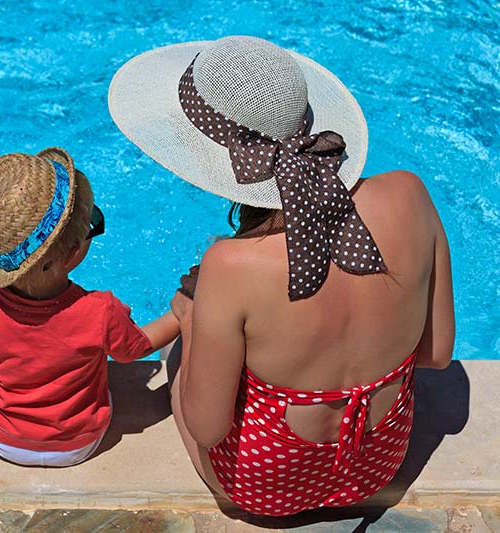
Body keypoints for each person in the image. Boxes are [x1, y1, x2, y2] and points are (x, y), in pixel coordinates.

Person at [109, 36, 455, 515]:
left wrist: (190, 319)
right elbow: (436, 355)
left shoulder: (232, 266)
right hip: (379, 464)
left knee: (182, 350)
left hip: (264, 489)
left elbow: (209, 428)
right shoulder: (409, 195)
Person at [0, 147, 180, 467]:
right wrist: (181, 311)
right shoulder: (100, 310)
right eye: (92, 224)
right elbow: (135, 348)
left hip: (0, 437)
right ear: (72, 253)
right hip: (77, 443)